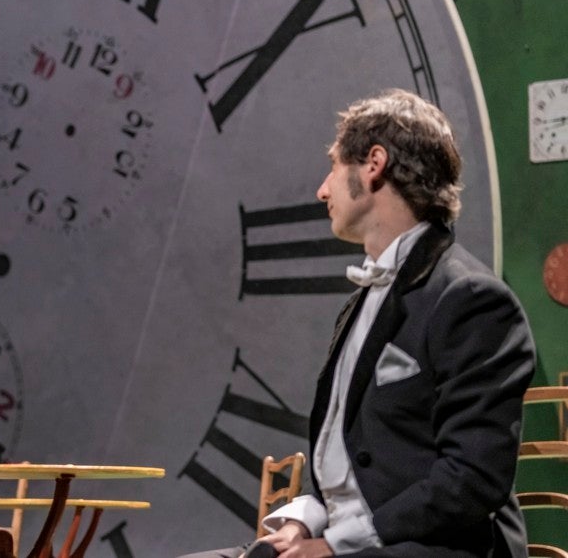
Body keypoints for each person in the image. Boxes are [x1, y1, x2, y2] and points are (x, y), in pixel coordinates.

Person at [181, 89, 535, 558]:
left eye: (332, 167)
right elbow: (350, 455)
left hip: (432, 547)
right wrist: (306, 521)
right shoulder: (365, 299)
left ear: (373, 164)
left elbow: (471, 480)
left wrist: (335, 545)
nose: (322, 190)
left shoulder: (470, 299)